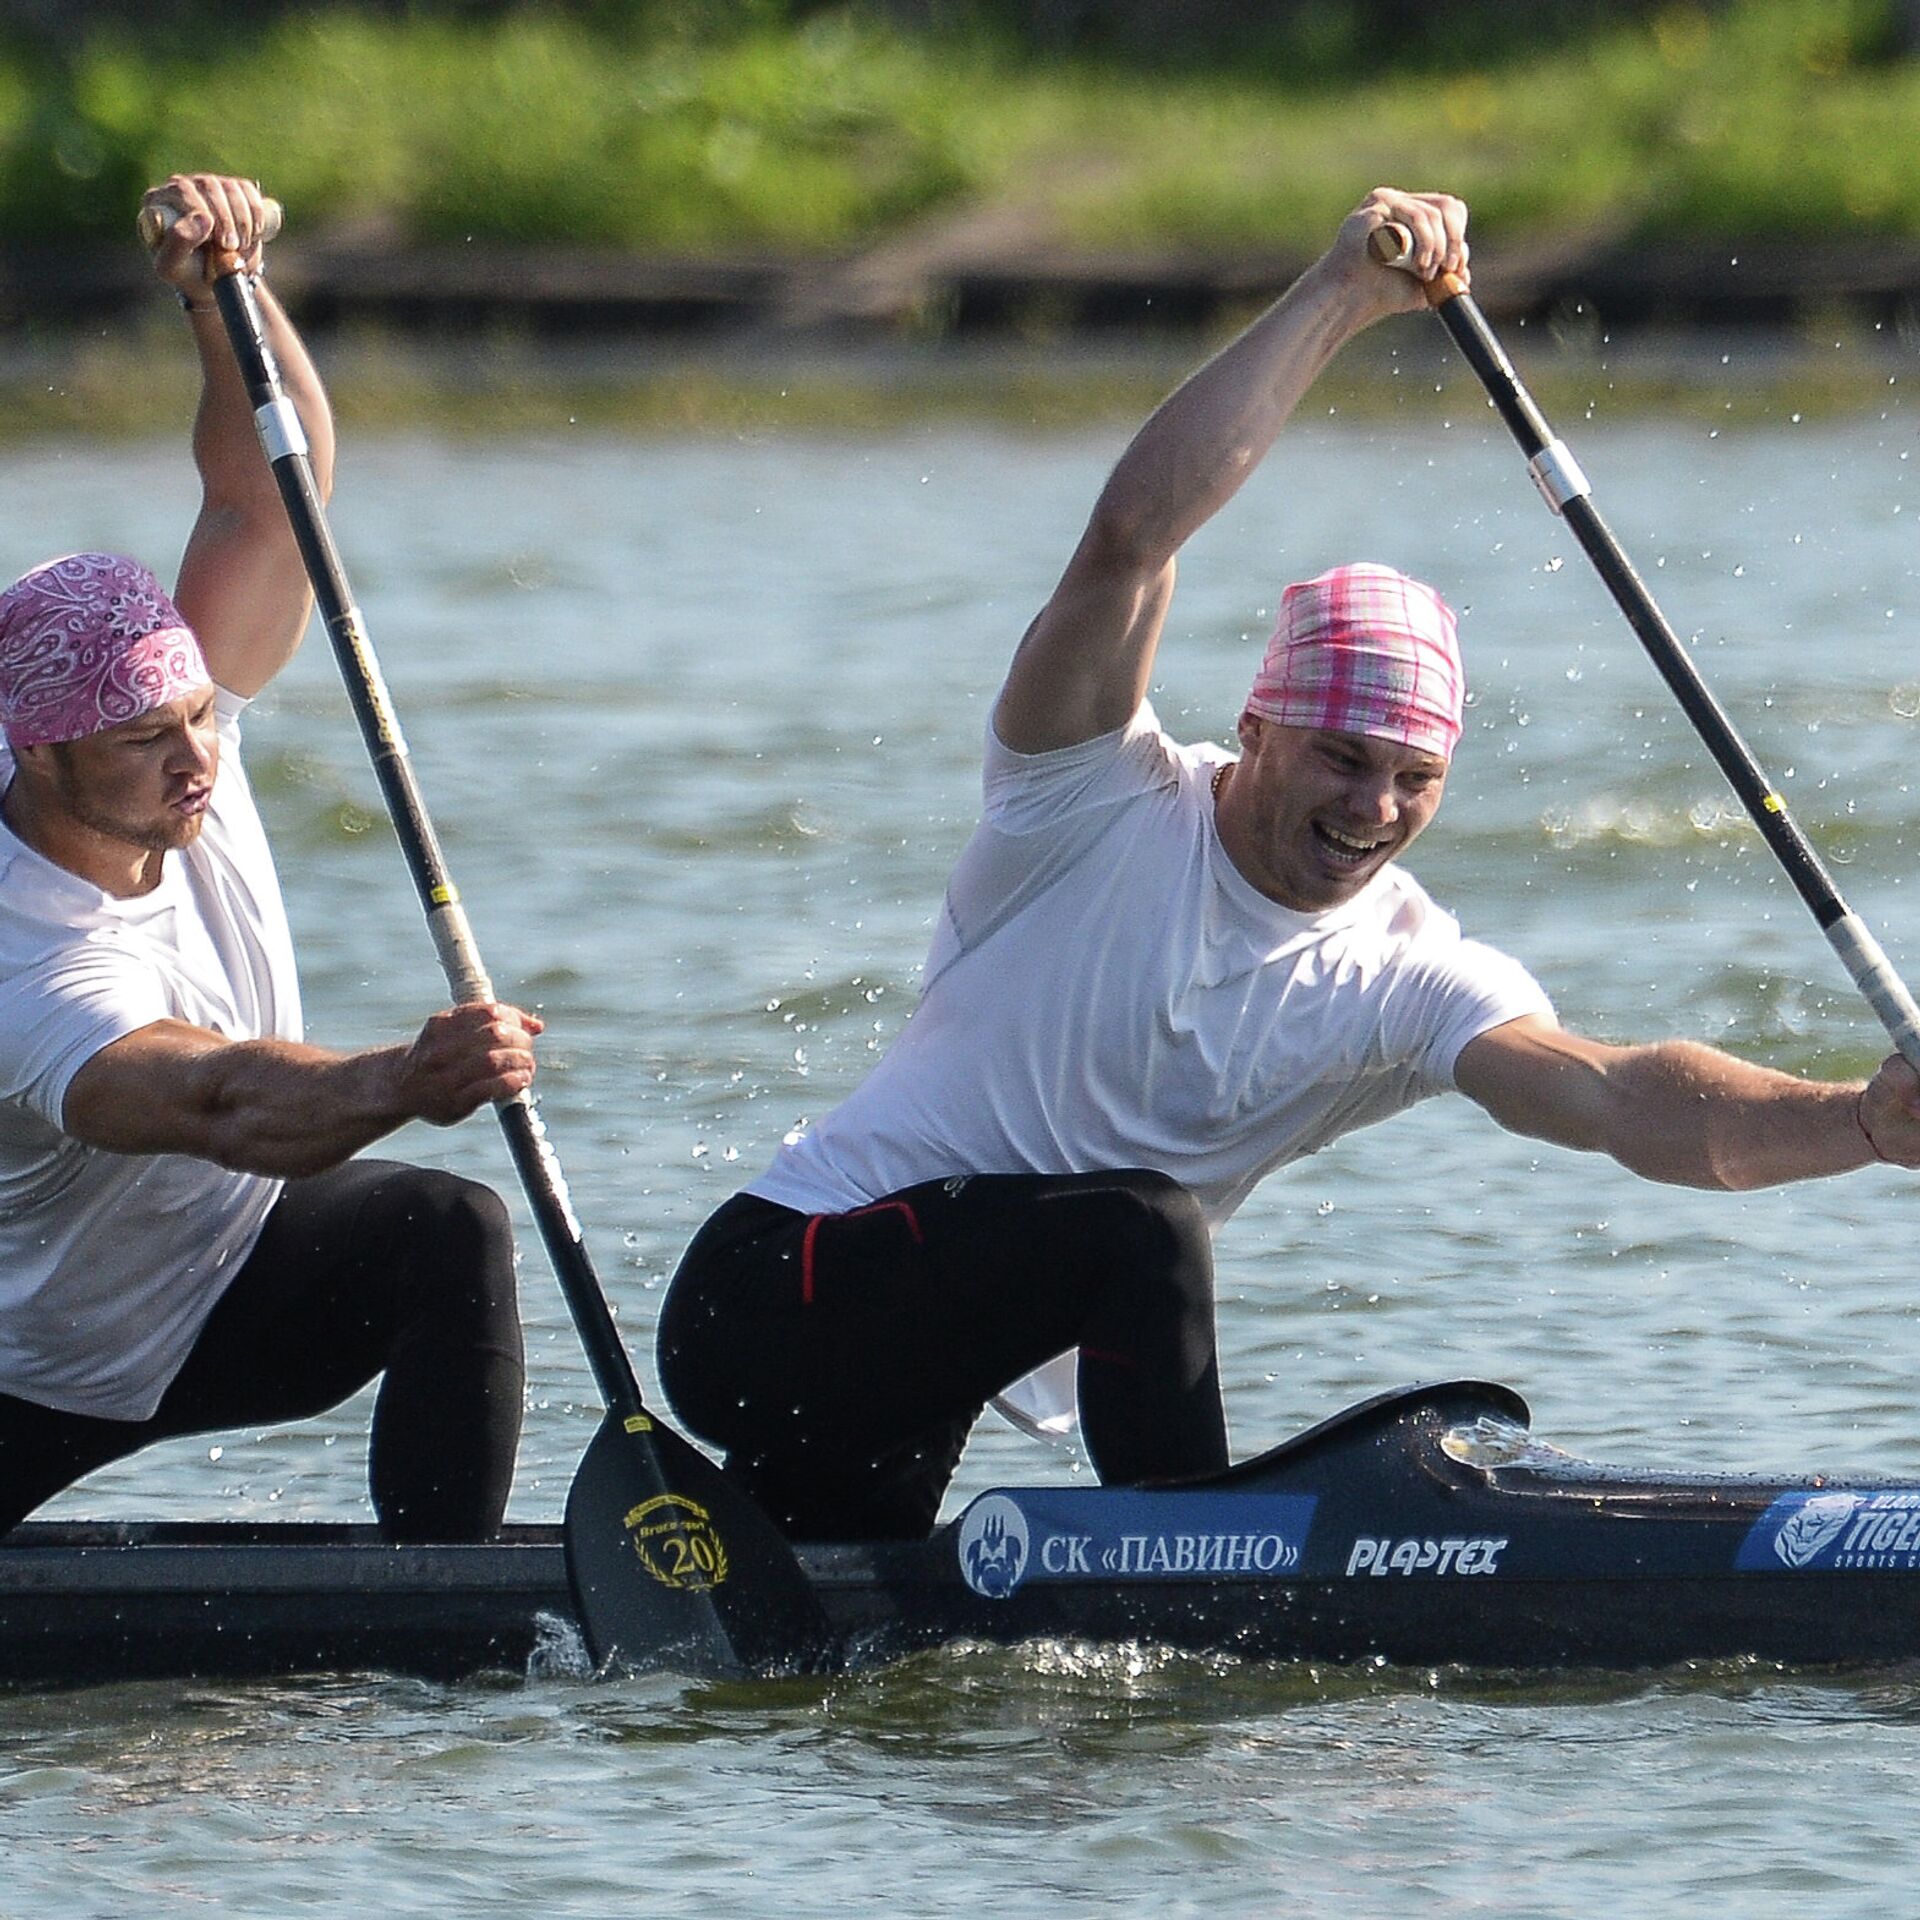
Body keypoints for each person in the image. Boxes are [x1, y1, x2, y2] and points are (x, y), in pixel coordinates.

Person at [657, 186, 1920, 1544]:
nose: (1373, 805)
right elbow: (1132, 538)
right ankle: (1195, 1566)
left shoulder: (1407, 975)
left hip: (915, 1374)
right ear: (1255, 728)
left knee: (838, 1633)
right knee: (1141, 1232)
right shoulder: (1084, 798)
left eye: (1414, 777)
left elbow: (1620, 1101)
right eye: (1340, 757)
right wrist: (1339, 295)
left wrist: (1862, 1123)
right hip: (764, 1295)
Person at [0, 174, 543, 1546]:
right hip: (32, 1368)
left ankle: (453, 1629)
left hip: (230, 1281)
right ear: (41, 759)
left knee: (450, 1229)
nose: (197, 760)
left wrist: (219, 291)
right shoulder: (28, 965)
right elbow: (223, 1105)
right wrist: (405, 1079)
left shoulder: (187, 741)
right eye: (144, 742)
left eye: (199, 715)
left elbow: (267, 494)